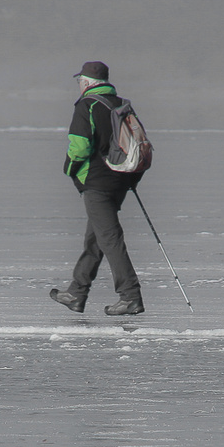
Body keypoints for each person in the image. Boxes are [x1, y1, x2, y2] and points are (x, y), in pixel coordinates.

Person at [49, 60, 144, 316]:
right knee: (96, 238)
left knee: (110, 239)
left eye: (80, 81)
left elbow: (79, 147)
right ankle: (76, 293)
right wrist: (130, 180)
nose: (79, 85)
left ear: (87, 83)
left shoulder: (87, 105)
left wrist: (69, 168)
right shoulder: (120, 104)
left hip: (96, 182)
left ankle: (130, 296)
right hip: (121, 180)